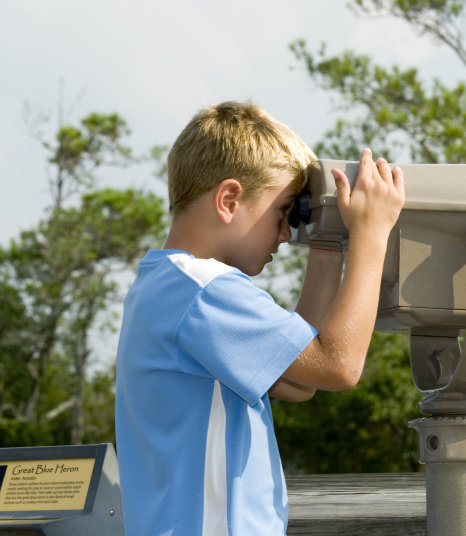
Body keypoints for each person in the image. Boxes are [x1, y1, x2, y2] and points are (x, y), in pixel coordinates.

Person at [115, 100, 405, 535]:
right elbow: (338, 366)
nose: (287, 232)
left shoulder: (164, 285)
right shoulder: (204, 290)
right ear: (229, 199)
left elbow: (300, 380)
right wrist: (371, 235)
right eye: (283, 210)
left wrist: (327, 249)